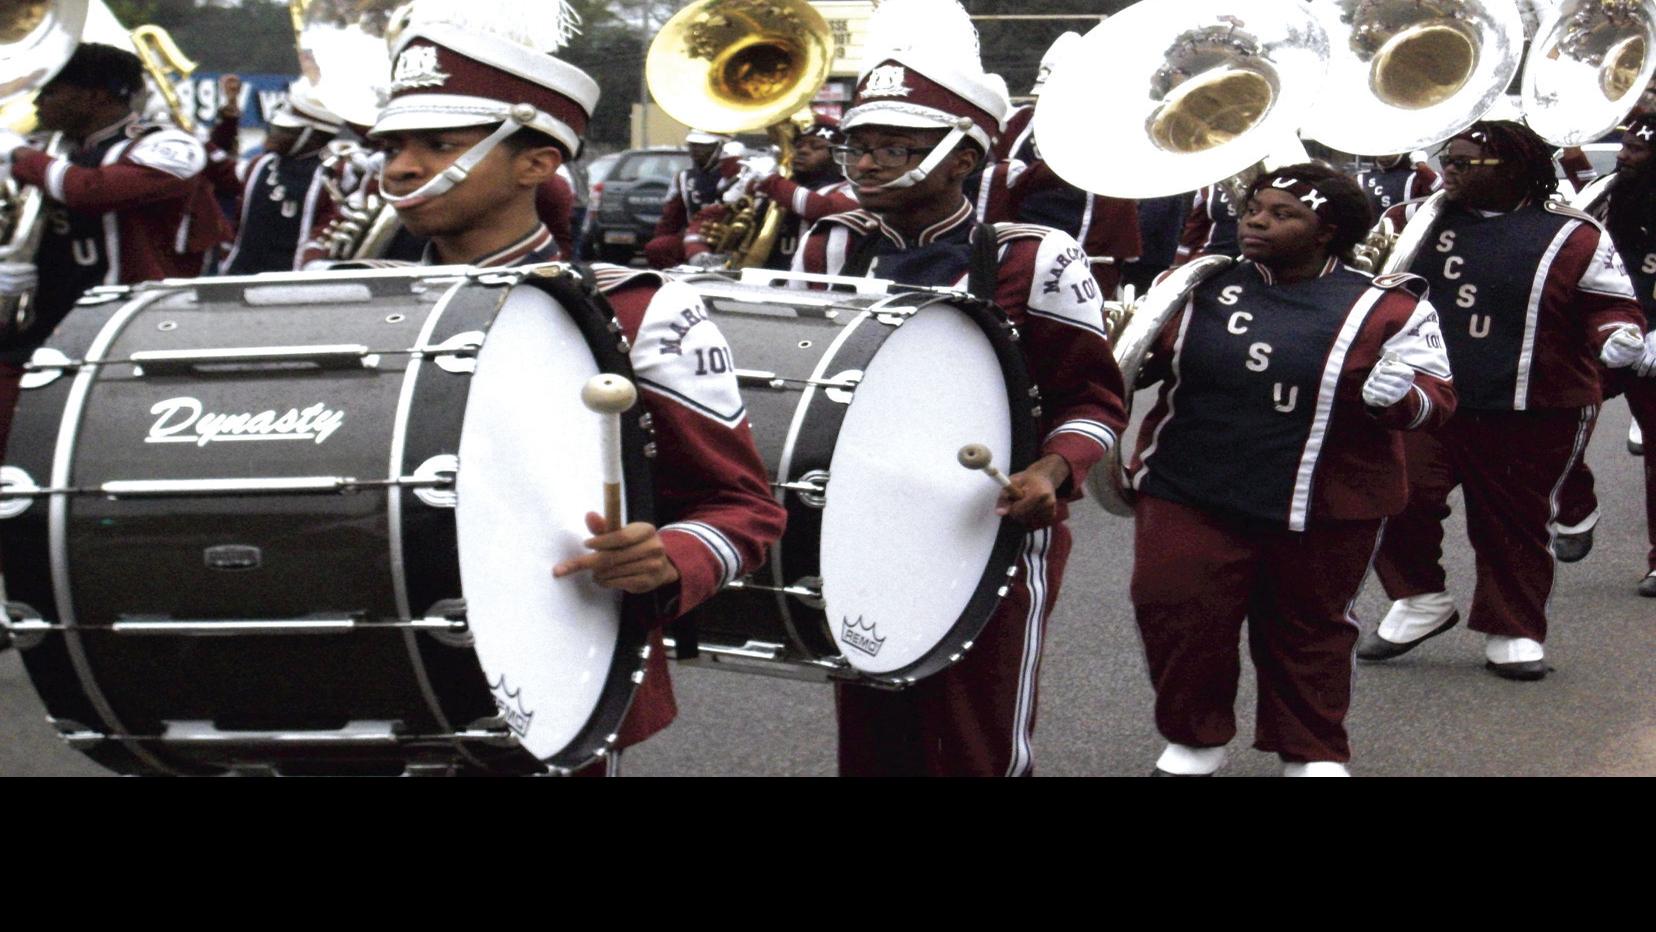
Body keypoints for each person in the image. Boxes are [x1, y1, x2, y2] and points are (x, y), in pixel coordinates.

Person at [368, 0, 786, 774]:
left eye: (439, 144)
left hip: (560, 671)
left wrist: (671, 555)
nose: (401, 167)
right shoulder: (356, 307)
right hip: (371, 679)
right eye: (392, 145)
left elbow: (745, 509)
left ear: (536, 163)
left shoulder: (637, 310)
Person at [791, 12, 1130, 777]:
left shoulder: (1031, 258)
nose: (866, 164)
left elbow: (1095, 402)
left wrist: (1051, 472)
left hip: (988, 525)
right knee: (872, 734)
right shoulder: (830, 244)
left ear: (962, 157)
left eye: (894, 148)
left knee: (977, 740)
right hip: (862, 522)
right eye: (858, 145)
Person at [1127, 165, 1455, 777]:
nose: (1257, 221)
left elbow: (1436, 401)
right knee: (1177, 610)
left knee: (1309, 627)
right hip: (1189, 484)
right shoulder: (1194, 285)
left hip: (1328, 496)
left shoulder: (1389, 306)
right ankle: (1194, 738)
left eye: (1283, 215)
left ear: (1327, 231)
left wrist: (1398, 398)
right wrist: (1121, 342)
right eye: (1255, 209)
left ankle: (1312, 750)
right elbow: (1133, 367)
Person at [1357, 121, 1652, 680]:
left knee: (1512, 523)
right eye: (1447, 159)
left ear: (1515, 169)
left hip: (1532, 402)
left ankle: (1513, 627)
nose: (1448, 171)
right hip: (1428, 396)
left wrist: (1618, 333)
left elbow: (1610, 302)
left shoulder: (1574, 233)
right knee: (1397, 496)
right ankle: (1418, 596)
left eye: (1464, 163)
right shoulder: (1408, 220)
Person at [1, 42, 224, 456]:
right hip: (48, 320)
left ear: (95, 96)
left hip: (128, 327)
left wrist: (20, 155)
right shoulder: (55, 149)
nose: (37, 101)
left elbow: (91, 192)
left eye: (50, 90)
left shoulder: (168, 146)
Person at [1551, 113, 1656, 593]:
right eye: (1625, 145)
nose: (1625, 156)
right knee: (1552, 417)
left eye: (1637, 150)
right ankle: (1576, 506)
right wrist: (1570, 148)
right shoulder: (1614, 189)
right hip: (1606, 335)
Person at [691, 116, 857, 270]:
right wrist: (701, 254)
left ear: (839, 155)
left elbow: (819, 207)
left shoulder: (850, 189)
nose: (803, 151)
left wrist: (769, 180)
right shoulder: (775, 186)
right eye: (798, 145)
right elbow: (706, 218)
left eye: (816, 147)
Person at [222, 80, 344, 274]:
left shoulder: (333, 174)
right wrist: (228, 119)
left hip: (292, 283)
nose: (272, 135)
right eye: (274, 127)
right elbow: (216, 170)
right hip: (238, 277)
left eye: (285, 130)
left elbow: (329, 230)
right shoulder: (258, 164)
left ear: (314, 137)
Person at [643, 129, 742, 268]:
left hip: (732, 240)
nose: (696, 150)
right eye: (693, 145)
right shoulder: (684, 178)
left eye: (704, 146)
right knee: (658, 247)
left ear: (720, 148)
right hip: (694, 236)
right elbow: (671, 219)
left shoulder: (738, 174)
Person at [1355, 152, 1442, 218]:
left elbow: (1441, 192)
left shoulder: (1416, 176)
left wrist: (1421, 165)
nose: (1385, 154)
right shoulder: (1362, 178)